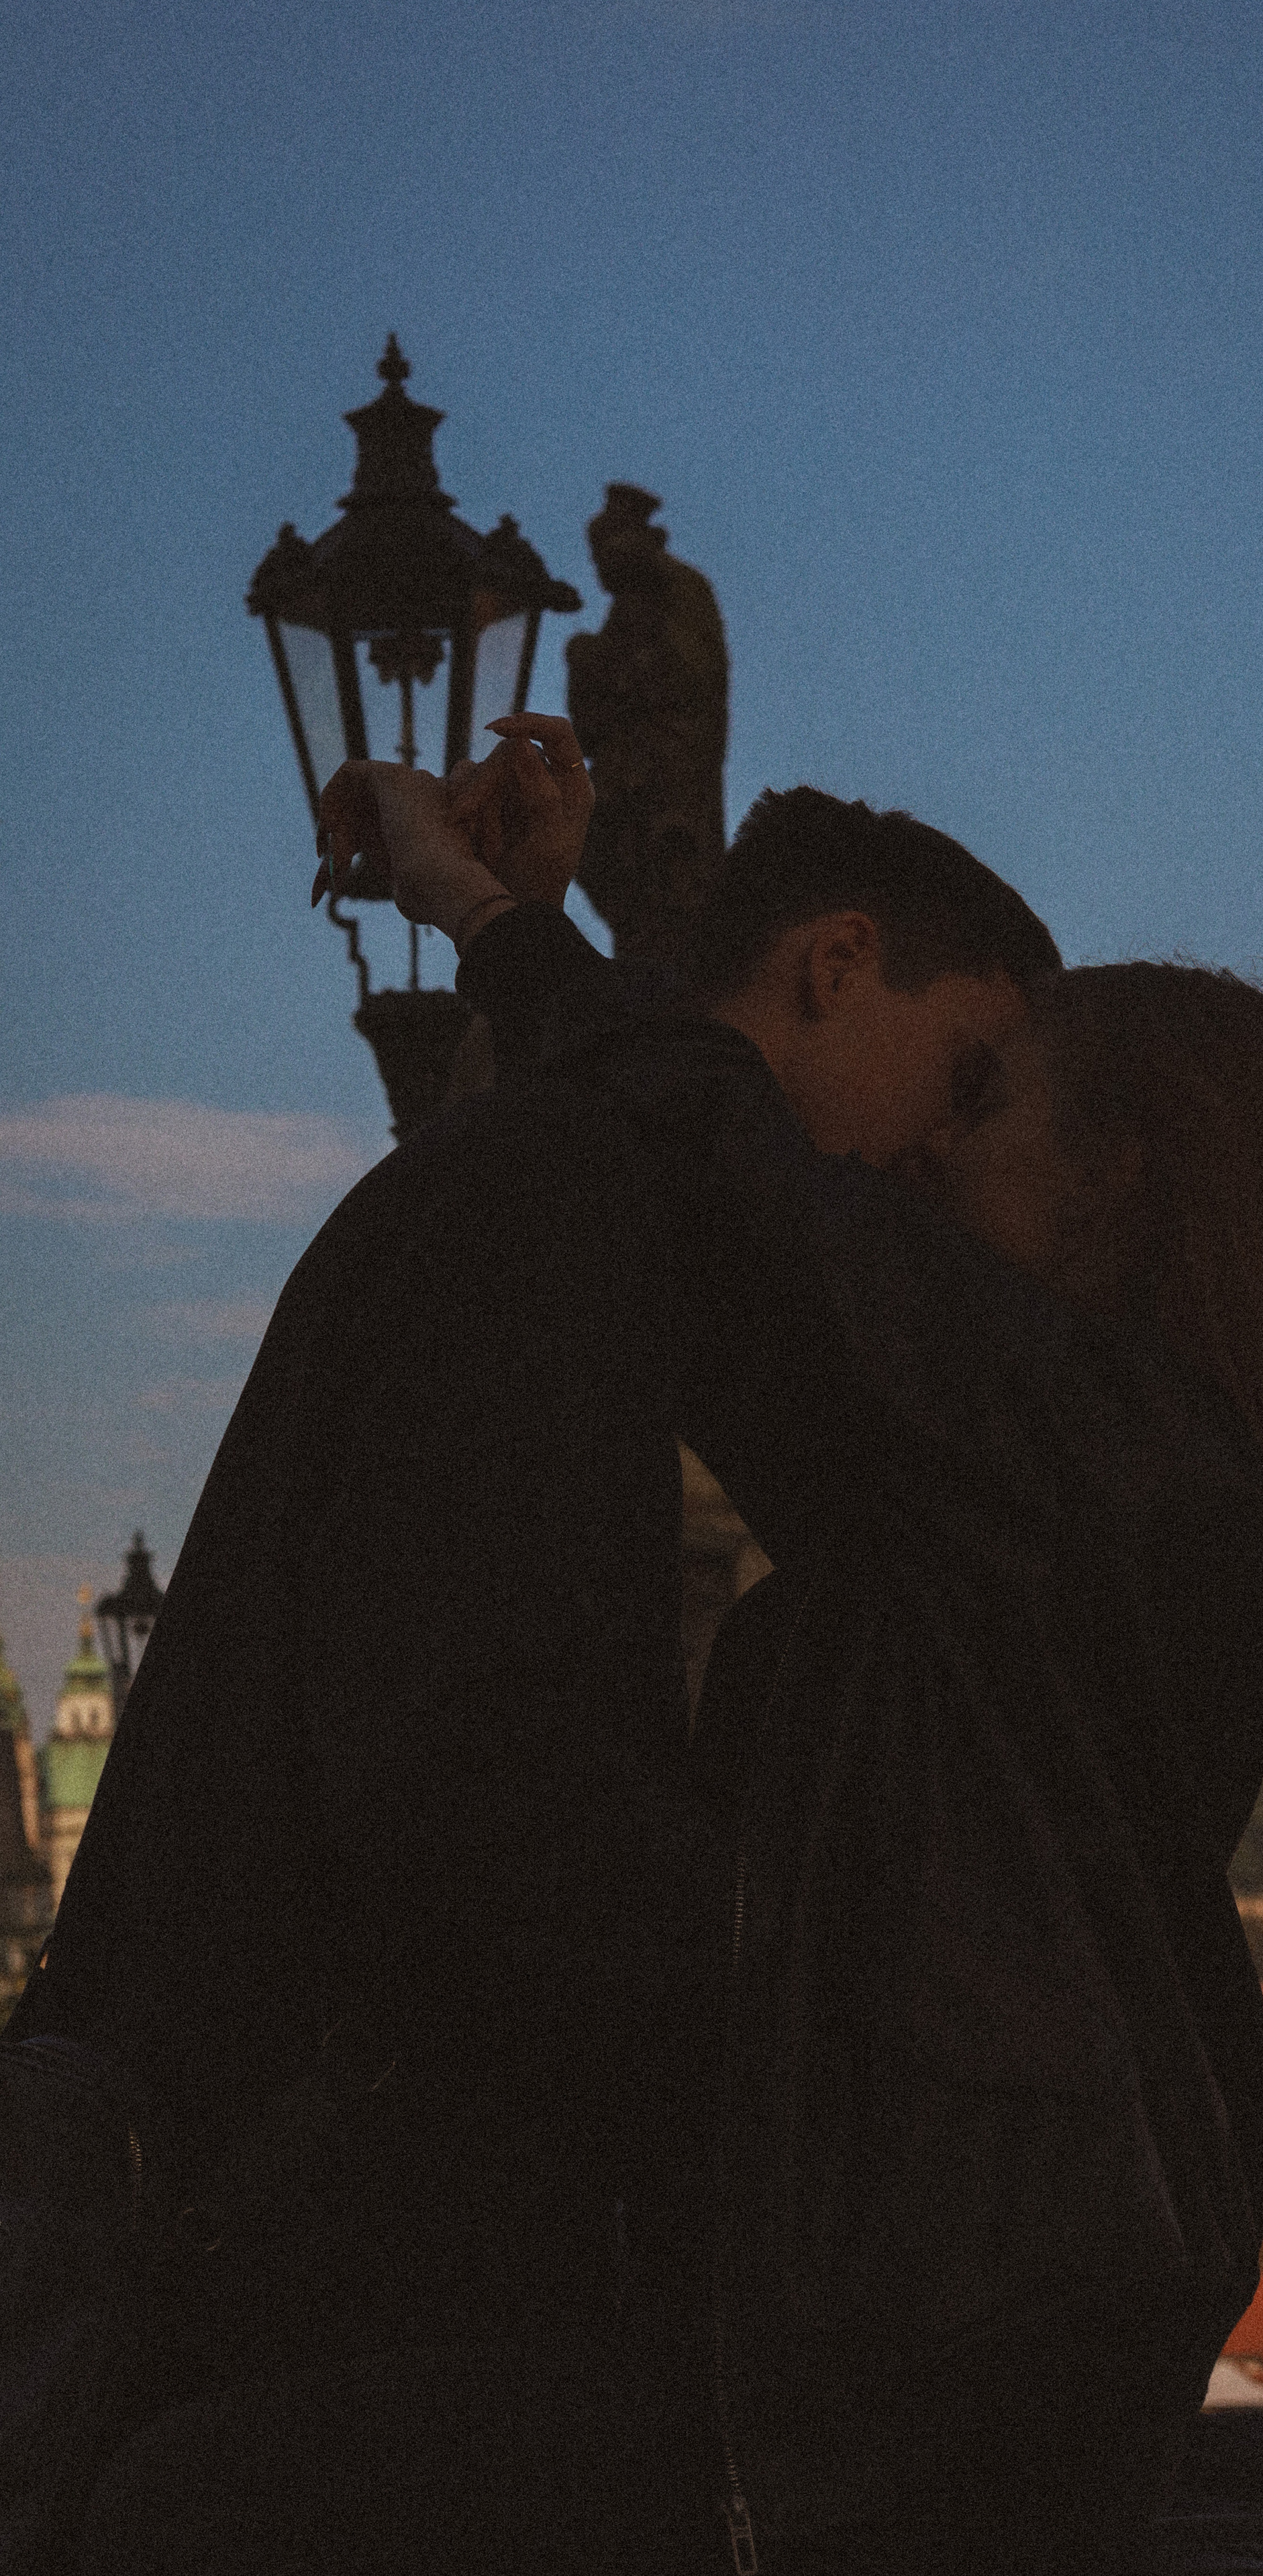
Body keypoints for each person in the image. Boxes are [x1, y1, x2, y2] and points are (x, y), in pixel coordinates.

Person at [302, 726, 1263, 2576]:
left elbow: (760, 1213)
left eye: (988, 1104)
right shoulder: (1087, 1482)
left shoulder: (1116, 1471)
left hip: (933, 2365)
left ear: (1121, 1177)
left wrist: (484, 912)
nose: (935, 1156)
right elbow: (776, 1290)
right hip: (977, 2333)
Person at [4, 757, 1058, 2575]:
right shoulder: (562, 1198)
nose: (945, 1157)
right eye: (964, 1073)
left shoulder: (570, 1185)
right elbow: (479, 1775)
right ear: (836, 959)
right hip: (333, 2259)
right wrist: (809, 2026)